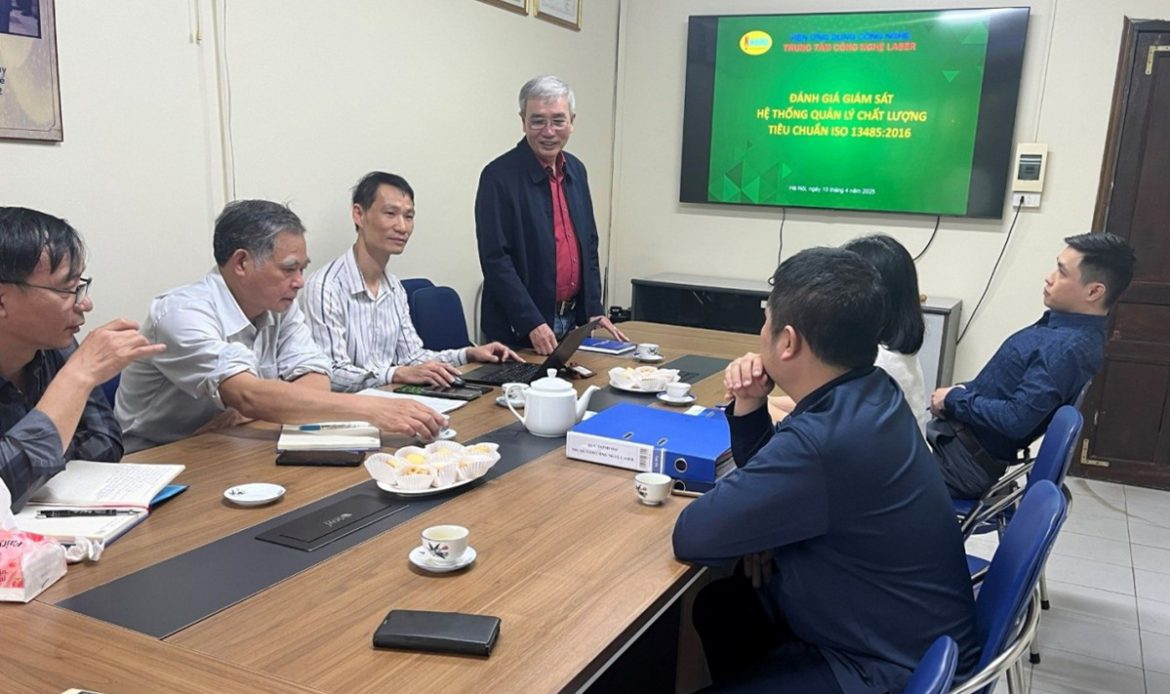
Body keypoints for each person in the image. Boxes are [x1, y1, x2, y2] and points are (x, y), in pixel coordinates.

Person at [673, 247, 978, 693]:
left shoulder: (824, 440)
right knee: (723, 605)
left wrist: (760, 530)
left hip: (885, 668)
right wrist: (751, 402)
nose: (760, 332)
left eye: (766, 320)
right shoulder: (870, 388)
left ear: (788, 341)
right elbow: (779, 481)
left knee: (730, 602)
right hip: (900, 631)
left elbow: (695, 535)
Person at [115, 200, 446, 452]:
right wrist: (373, 410)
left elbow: (316, 379)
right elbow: (247, 394)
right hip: (156, 458)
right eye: (289, 269)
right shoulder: (182, 313)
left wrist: (259, 407)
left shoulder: (279, 306)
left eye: (302, 268)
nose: (300, 282)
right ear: (241, 263)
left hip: (232, 443)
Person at [929, 232, 1136, 499]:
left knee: (873, 465)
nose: (1049, 277)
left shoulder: (1066, 349)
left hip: (959, 463)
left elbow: (1015, 420)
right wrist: (959, 393)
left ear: (1094, 291)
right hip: (956, 445)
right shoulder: (1067, 331)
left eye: (1062, 272)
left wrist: (954, 399)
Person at [0, 207, 164, 510]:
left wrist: (27, 465)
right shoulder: (69, 358)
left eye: (80, 286)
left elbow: (107, 442)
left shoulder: (55, 344)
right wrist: (77, 377)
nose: (85, 304)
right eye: (67, 289)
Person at [302, 172, 520, 392]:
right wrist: (396, 373)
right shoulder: (325, 286)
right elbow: (332, 373)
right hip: (350, 406)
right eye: (390, 213)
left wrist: (468, 354)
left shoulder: (394, 287)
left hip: (390, 398)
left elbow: (412, 357)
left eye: (408, 216)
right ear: (359, 215)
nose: (402, 227)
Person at [475, 75, 627, 354]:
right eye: (537, 121)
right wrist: (531, 322)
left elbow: (589, 244)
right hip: (520, 329)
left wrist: (594, 309)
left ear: (572, 121)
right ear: (523, 121)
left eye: (558, 121)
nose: (548, 131)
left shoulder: (576, 170)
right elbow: (496, 260)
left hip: (572, 321)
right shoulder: (498, 176)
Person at [769, 234, 929, 434]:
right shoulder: (895, 351)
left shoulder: (877, 363)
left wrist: (759, 406)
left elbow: (820, 430)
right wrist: (768, 400)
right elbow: (821, 404)